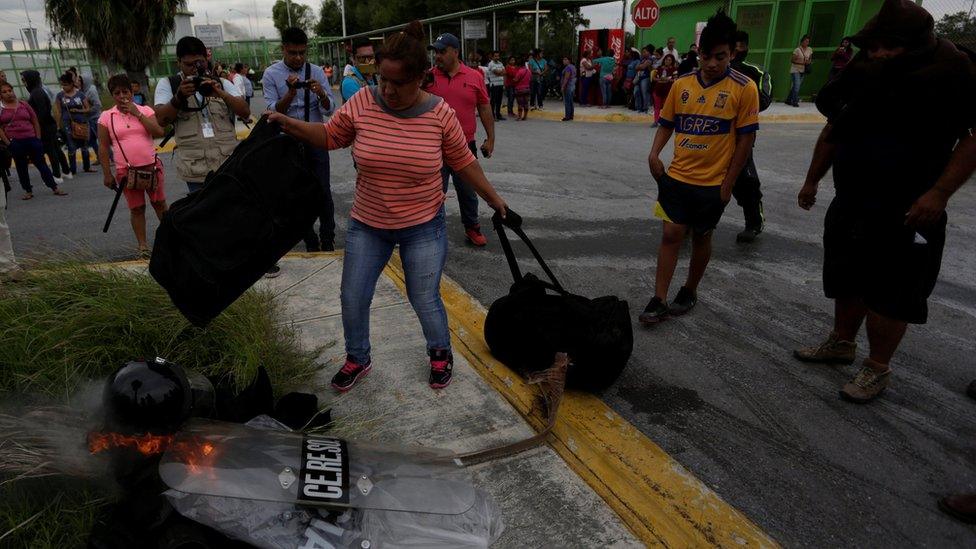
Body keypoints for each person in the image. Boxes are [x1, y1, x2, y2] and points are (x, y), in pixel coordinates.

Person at [267, 21, 508, 392]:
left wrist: (494, 200)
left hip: (423, 225)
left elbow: (463, 162)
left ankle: (440, 352)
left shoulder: (439, 114)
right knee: (352, 295)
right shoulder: (363, 101)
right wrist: (287, 124)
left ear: (421, 79)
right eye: (383, 79)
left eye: (398, 83)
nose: (388, 90)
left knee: (423, 296)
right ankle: (357, 358)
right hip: (369, 223)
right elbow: (331, 136)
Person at [793, 0, 976, 403]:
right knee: (846, 274)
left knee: (892, 290)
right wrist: (811, 180)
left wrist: (940, 193)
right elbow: (835, 127)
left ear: (915, 44)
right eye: (871, 45)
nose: (874, 53)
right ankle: (841, 343)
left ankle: (877, 368)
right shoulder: (868, 66)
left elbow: (973, 137)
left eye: (884, 46)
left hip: (910, 206)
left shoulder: (952, 69)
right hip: (854, 196)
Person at [640, 10, 760, 324]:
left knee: (702, 237)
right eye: (706, 56)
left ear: (733, 53)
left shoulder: (744, 88)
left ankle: (690, 290)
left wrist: (728, 183)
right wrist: (654, 154)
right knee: (671, 234)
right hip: (677, 178)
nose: (711, 64)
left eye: (720, 56)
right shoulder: (681, 85)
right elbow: (666, 124)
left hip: (713, 183)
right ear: (698, 52)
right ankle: (659, 298)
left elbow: (746, 141)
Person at [263, 27, 337, 256]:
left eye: (302, 53)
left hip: (315, 139)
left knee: (323, 190)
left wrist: (321, 94)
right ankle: (310, 239)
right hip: (287, 143)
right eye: (293, 52)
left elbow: (330, 109)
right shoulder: (271, 74)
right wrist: (290, 93)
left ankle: (328, 238)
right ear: (283, 49)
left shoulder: (315, 71)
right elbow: (271, 111)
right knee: (295, 195)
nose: (297, 58)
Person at [153, 37, 249, 194]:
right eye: (188, 64)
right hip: (195, 168)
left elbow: (245, 111)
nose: (194, 68)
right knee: (204, 214)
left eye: (199, 63)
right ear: (179, 62)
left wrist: (221, 94)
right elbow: (162, 120)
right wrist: (178, 98)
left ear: (206, 59)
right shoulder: (169, 84)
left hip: (227, 163)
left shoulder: (222, 83)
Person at [425, 32, 495, 247]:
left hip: (465, 146)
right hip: (434, 146)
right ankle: (431, 232)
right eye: (436, 51)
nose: (437, 56)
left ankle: (472, 227)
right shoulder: (428, 77)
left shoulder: (474, 76)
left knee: (468, 191)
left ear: (455, 52)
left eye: (442, 51)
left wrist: (491, 138)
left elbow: (484, 106)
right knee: (434, 193)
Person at [97, 74, 167, 257]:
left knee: (160, 204)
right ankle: (143, 246)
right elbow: (103, 147)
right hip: (126, 171)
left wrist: (137, 113)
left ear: (132, 91)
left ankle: (172, 239)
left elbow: (158, 131)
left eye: (125, 91)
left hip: (151, 166)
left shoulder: (145, 110)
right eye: (117, 93)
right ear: (112, 95)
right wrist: (107, 173)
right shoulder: (107, 117)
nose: (122, 96)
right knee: (136, 208)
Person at [730, 30, 774, 243]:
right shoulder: (713, 70)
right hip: (710, 137)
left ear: (745, 47)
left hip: (741, 136)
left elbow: (764, 100)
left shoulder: (754, 72)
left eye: (738, 45)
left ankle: (754, 223)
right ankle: (691, 223)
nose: (735, 51)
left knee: (746, 182)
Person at [0, 82, 67, 200]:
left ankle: (54, 187)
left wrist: (38, 138)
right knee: (21, 167)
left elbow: (34, 120)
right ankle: (28, 190)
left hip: (32, 139)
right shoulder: (1, 109)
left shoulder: (23, 104)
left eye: (10, 90)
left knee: (42, 164)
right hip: (15, 142)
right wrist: (8, 143)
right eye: (4, 92)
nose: (8, 94)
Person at [21, 70, 65, 184]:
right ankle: (65, 170)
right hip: (47, 126)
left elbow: (42, 112)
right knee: (55, 149)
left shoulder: (37, 93)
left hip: (45, 127)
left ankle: (57, 175)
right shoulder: (37, 91)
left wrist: (36, 125)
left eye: (24, 80)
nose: (23, 83)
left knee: (51, 151)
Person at [54, 73, 93, 176]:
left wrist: (78, 110)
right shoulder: (60, 96)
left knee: (84, 145)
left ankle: (87, 166)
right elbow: (58, 112)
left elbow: (88, 108)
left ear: (72, 84)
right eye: (62, 85)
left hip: (82, 123)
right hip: (68, 125)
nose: (64, 87)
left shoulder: (80, 94)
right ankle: (73, 169)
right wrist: (58, 126)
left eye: (66, 84)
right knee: (71, 146)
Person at [650, 54, 677, 126]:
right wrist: (660, 80)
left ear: (672, 61)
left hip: (668, 91)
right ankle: (656, 121)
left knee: (666, 107)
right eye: (666, 59)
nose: (667, 61)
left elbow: (675, 79)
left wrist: (667, 80)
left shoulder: (674, 70)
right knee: (657, 106)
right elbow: (654, 78)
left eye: (669, 60)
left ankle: (665, 121)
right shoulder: (659, 68)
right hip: (658, 90)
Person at [81, 75, 103, 163]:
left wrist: (87, 110)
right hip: (88, 119)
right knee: (91, 140)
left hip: (95, 118)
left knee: (101, 139)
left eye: (80, 80)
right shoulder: (83, 91)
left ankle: (110, 157)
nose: (78, 82)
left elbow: (98, 105)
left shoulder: (91, 91)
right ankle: (99, 157)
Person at [787, 34, 813, 106]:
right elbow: (792, 60)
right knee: (797, 86)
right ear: (802, 42)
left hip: (803, 70)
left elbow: (810, 58)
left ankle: (788, 99)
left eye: (808, 41)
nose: (806, 43)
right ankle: (794, 101)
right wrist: (802, 63)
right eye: (805, 41)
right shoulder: (797, 50)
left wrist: (808, 62)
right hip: (796, 69)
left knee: (796, 86)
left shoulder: (809, 49)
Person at [635, 46, 655, 114]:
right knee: (639, 92)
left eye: (644, 52)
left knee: (645, 93)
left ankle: (646, 108)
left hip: (646, 78)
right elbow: (636, 67)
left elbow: (643, 67)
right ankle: (641, 108)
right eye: (642, 52)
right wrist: (641, 66)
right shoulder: (642, 59)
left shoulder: (650, 59)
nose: (643, 53)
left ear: (649, 52)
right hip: (640, 77)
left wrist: (641, 66)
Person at [487, 51, 506, 121]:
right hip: (494, 85)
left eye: (498, 56)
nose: (497, 57)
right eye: (495, 56)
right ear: (492, 57)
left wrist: (500, 73)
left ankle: (498, 115)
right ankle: (492, 116)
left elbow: (504, 72)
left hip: (500, 84)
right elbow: (497, 72)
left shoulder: (500, 63)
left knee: (499, 101)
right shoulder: (491, 64)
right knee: (493, 101)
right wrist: (500, 72)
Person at [560, 55, 577, 121]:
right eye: (563, 59)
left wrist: (563, 86)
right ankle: (571, 116)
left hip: (568, 86)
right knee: (571, 102)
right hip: (572, 86)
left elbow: (566, 78)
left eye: (565, 59)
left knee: (567, 102)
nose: (563, 61)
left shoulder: (568, 68)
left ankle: (567, 116)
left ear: (569, 60)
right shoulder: (573, 67)